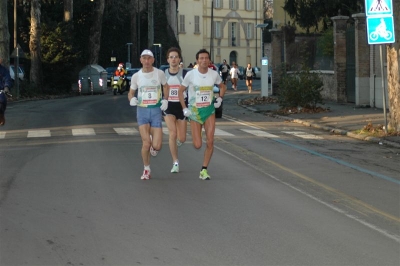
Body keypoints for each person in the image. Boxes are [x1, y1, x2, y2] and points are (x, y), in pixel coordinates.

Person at [178, 49, 226, 180]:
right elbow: (180, 91)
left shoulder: (213, 74)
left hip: (209, 110)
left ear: (209, 60)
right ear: (197, 61)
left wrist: (220, 98)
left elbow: (222, 86)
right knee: (198, 144)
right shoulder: (191, 75)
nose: (204, 60)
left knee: (210, 141)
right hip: (195, 112)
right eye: (201, 58)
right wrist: (184, 108)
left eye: (206, 58)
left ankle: (204, 170)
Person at [128, 49, 169, 180]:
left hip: (156, 111)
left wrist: (165, 99)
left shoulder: (159, 73)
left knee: (157, 146)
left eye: (149, 58)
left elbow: (166, 86)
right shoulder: (136, 76)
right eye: (144, 58)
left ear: (153, 60)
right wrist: (131, 99)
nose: (146, 61)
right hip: (142, 111)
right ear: (140, 60)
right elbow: (131, 92)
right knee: (146, 144)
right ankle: (146, 169)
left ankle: (153, 144)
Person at [163, 47, 189, 173]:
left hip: (181, 107)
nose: (173, 59)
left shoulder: (185, 74)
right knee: (172, 133)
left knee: (182, 138)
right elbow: (159, 89)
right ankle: (175, 162)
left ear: (179, 59)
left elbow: (192, 90)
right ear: (168, 60)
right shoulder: (163, 74)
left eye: (176, 57)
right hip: (169, 107)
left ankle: (178, 141)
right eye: (171, 57)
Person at [0, 58, 12, 126]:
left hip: (1, 90)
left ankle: (1, 114)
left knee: (2, 100)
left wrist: (6, 87)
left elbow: (7, 79)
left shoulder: (4, 70)